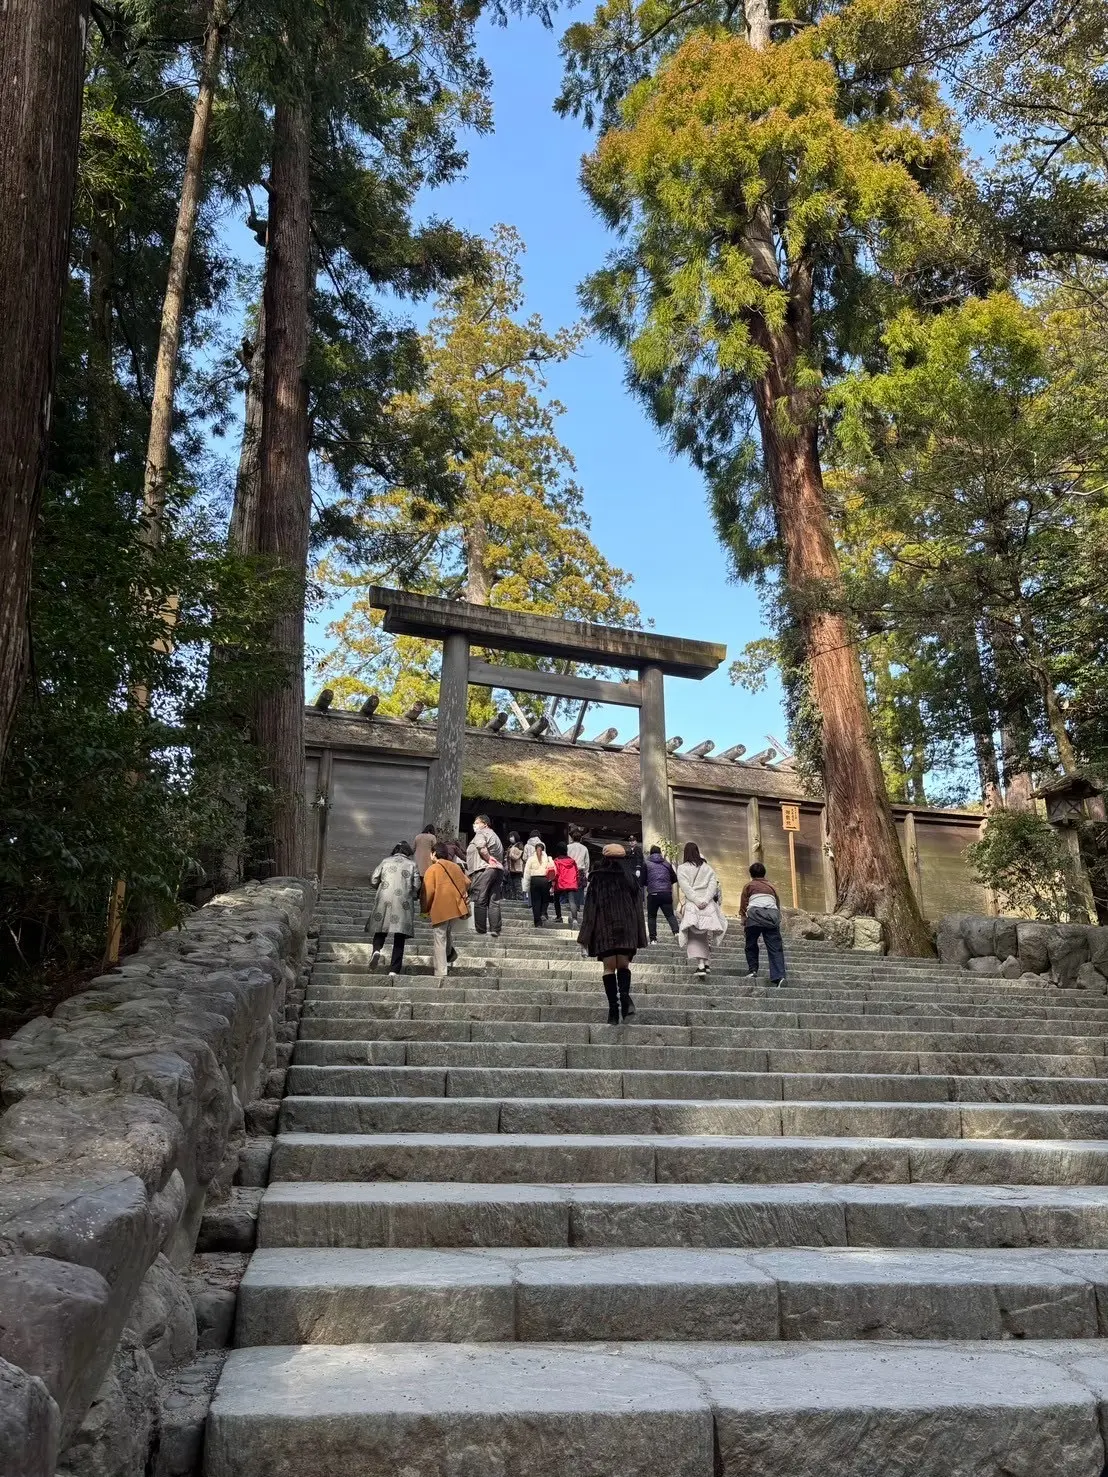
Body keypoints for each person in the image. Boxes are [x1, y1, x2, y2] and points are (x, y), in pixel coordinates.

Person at [577, 843, 647, 1024]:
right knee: (623, 965)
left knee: (608, 967)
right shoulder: (631, 878)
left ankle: (613, 1010)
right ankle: (625, 997)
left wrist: (585, 936)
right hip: (627, 927)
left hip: (604, 927)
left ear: (605, 858)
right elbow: (638, 908)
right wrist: (641, 935)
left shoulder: (598, 878)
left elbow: (590, 909)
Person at [365, 841, 421, 976]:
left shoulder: (385, 861)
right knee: (400, 935)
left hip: (384, 898)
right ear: (408, 852)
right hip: (403, 902)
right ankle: (394, 969)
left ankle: (377, 950)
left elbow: (373, 879)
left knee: (380, 928)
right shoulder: (412, 864)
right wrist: (412, 894)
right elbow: (417, 885)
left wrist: (380, 887)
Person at [676, 841, 728, 976]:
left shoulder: (682, 868)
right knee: (704, 935)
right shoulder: (707, 868)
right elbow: (713, 886)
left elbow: (685, 887)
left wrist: (697, 900)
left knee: (694, 936)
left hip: (693, 905)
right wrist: (705, 900)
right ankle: (706, 963)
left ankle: (700, 966)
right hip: (707, 906)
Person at [420, 841, 470, 980]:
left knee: (439, 937)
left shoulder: (433, 869)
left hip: (440, 907)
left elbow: (427, 892)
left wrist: (425, 909)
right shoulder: (455, 866)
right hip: (456, 906)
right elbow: (467, 882)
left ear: (434, 853)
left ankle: (441, 971)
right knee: (447, 933)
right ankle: (449, 954)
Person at [740, 861, 788, 986]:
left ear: (751, 874)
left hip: (754, 917)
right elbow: (777, 904)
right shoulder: (772, 887)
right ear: (764, 873)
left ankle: (753, 970)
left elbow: (743, 903)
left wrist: (743, 918)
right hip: (771, 917)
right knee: (775, 948)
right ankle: (779, 976)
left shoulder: (748, 886)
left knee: (751, 944)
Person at [466, 814, 505, 936]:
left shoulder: (482, 833)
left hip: (484, 869)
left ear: (484, 824)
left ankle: (481, 928)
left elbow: (481, 847)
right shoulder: (495, 836)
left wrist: (488, 858)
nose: (475, 825)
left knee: (480, 899)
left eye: (477, 822)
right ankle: (495, 928)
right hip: (497, 870)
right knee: (494, 900)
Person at [644, 845, 680, 944]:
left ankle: (653, 939)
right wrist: (666, 885)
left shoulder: (646, 864)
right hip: (666, 893)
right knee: (670, 915)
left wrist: (650, 884)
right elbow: (674, 878)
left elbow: (642, 880)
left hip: (653, 893)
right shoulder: (667, 864)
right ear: (660, 853)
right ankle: (676, 932)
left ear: (651, 853)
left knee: (652, 916)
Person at [522, 840, 557, 927]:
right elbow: (554, 871)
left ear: (535, 849)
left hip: (534, 880)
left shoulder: (530, 859)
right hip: (545, 881)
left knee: (535, 902)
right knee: (545, 900)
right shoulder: (548, 858)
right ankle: (543, 913)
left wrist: (525, 888)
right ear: (544, 849)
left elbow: (526, 873)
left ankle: (538, 922)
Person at [552, 843, 581, 927]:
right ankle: (575, 919)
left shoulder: (556, 861)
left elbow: (555, 873)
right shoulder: (572, 861)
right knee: (572, 901)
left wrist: (553, 882)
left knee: (556, 899)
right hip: (571, 883)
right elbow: (577, 873)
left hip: (560, 883)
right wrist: (576, 882)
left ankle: (559, 917)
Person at [506, 832, 525, 901]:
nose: (511, 838)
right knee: (511, 884)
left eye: (512, 836)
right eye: (510, 836)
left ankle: (519, 898)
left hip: (517, 868)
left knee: (517, 884)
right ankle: (512, 897)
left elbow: (516, 857)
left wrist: (510, 852)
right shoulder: (511, 846)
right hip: (511, 868)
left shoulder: (519, 845)